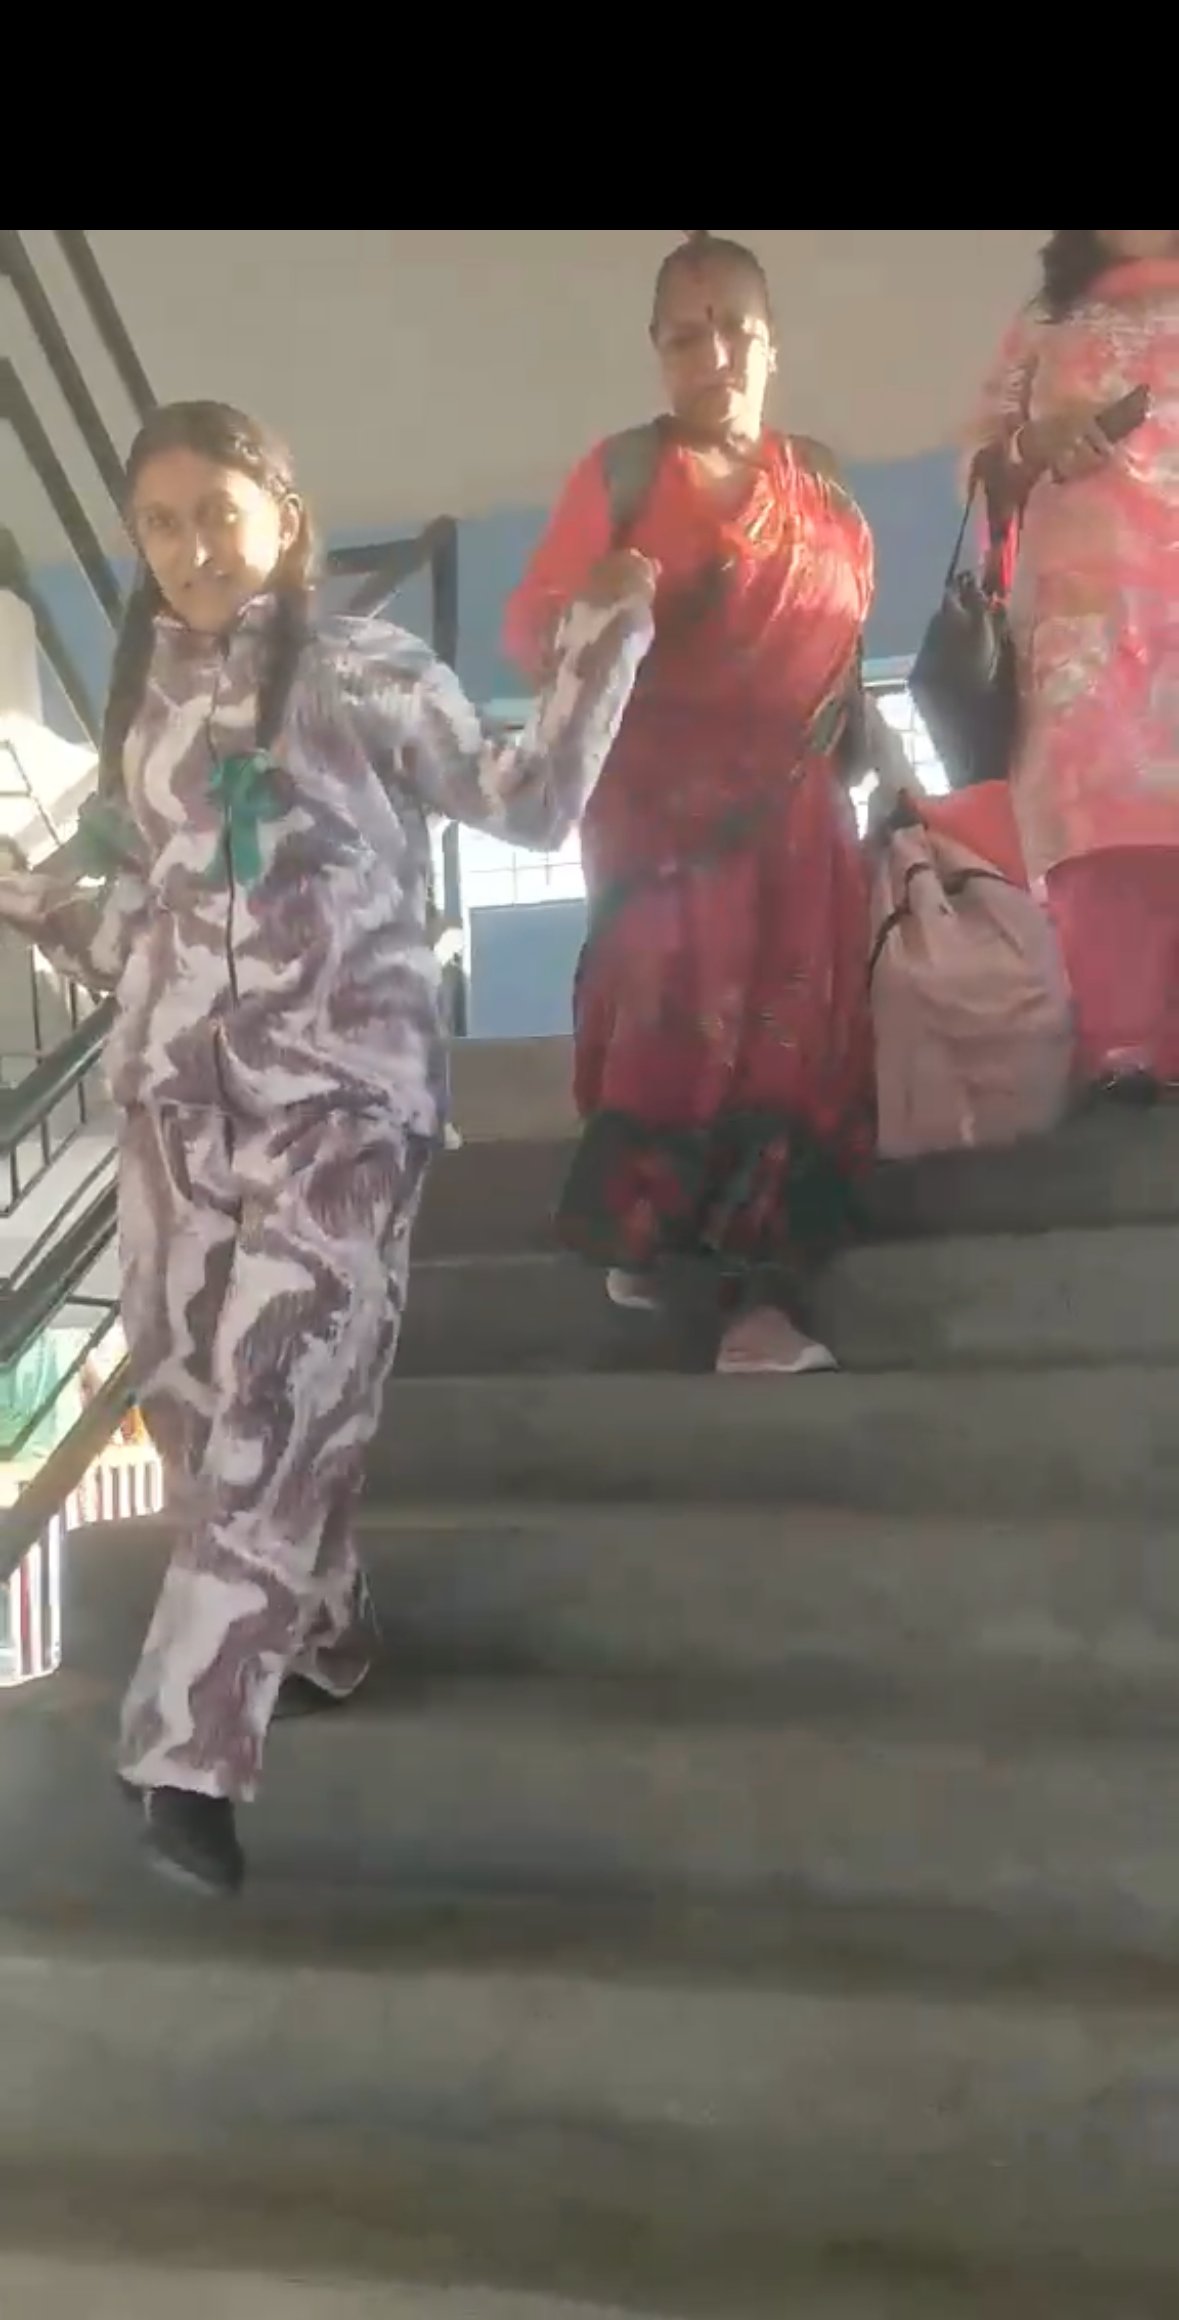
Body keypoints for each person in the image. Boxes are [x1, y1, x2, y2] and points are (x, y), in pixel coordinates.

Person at [0, 399, 655, 1893]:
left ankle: (184, 1749)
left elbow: (528, 802)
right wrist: (27, 895)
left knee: (277, 1394)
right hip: (177, 1101)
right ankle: (324, 1630)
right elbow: (142, 926)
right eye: (161, 526)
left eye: (217, 516)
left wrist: (601, 639)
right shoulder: (149, 713)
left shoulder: (370, 668)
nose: (191, 550)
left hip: (347, 1093)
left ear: (284, 520)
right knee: (185, 1401)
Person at [505, 233, 876, 1376]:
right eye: (684, 337)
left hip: (803, 833)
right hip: (667, 841)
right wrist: (600, 601)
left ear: (772, 343)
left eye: (735, 331)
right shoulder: (625, 473)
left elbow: (842, 652)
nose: (713, 356)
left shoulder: (818, 480)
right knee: (677, 1055)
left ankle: (758, 1312)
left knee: (789, 1065)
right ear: (656, 352)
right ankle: (673, 1265)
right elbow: (534, 630)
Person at [968, 230, 1179, 1095]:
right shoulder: (1044, 325)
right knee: (1099, 864)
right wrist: (1034, 444)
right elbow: (982, 476)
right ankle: (1116, 1055)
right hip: (1082, 663)